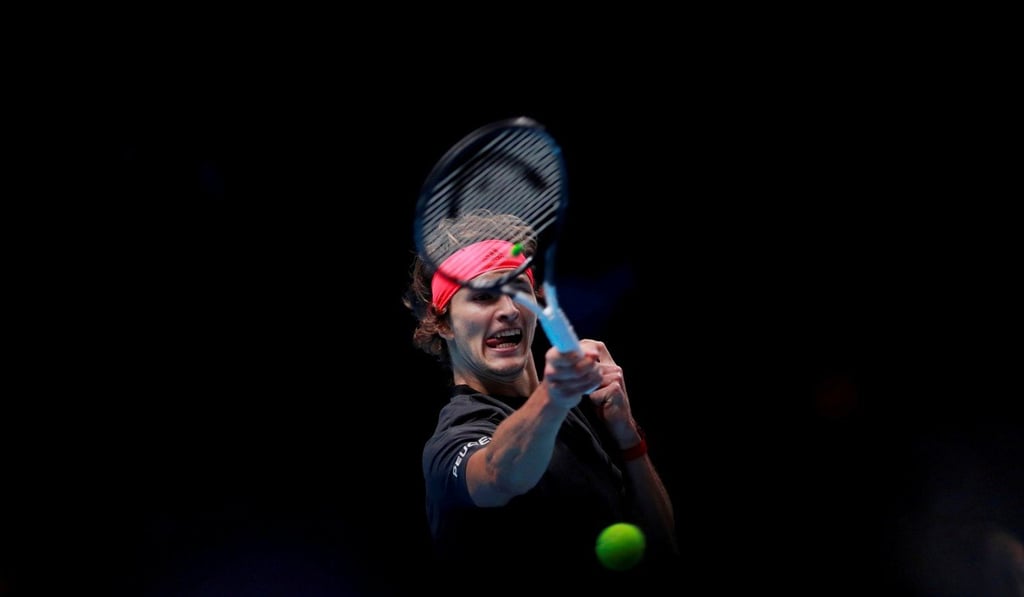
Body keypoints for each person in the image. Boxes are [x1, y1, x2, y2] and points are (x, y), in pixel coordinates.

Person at [402, 209, 679, 590]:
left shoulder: (585, 408)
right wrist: (554, 395)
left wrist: (628, 437)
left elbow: (662, 552)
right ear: (444, 323)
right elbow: (499, 473)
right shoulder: (452, 440)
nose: (509, 311)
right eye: (483, 297)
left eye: (518, 290)